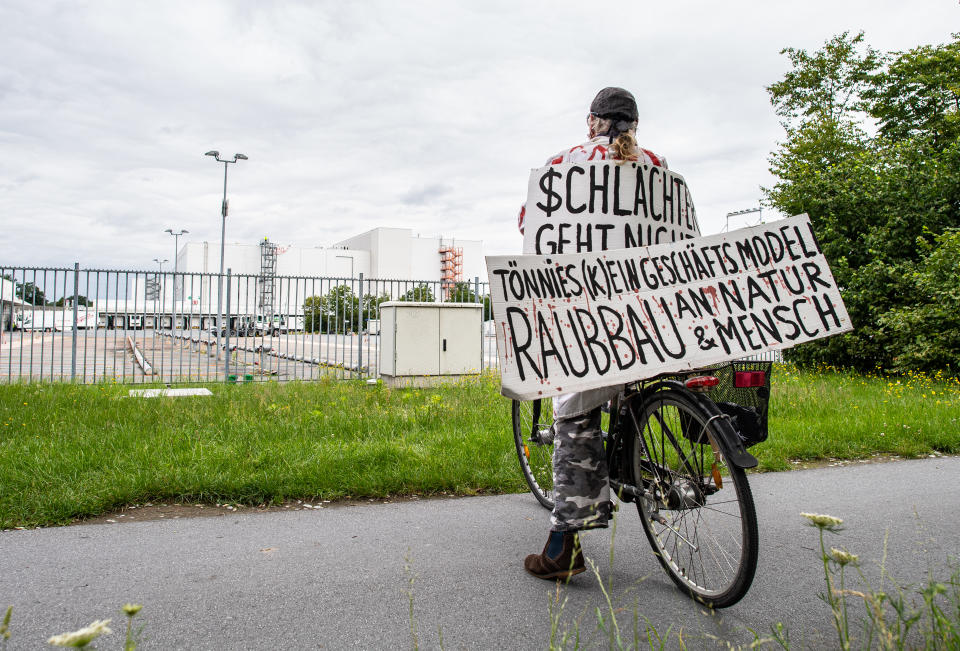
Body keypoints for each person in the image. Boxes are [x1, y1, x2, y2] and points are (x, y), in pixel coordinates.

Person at [518, 87, 669, 581]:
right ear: (634, 123)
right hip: (656, 321)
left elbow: (533, 227)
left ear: (592, 122)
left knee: (571, 413)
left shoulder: (564, 164)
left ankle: (563, 547)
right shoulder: (659, 168)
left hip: (596, 324)